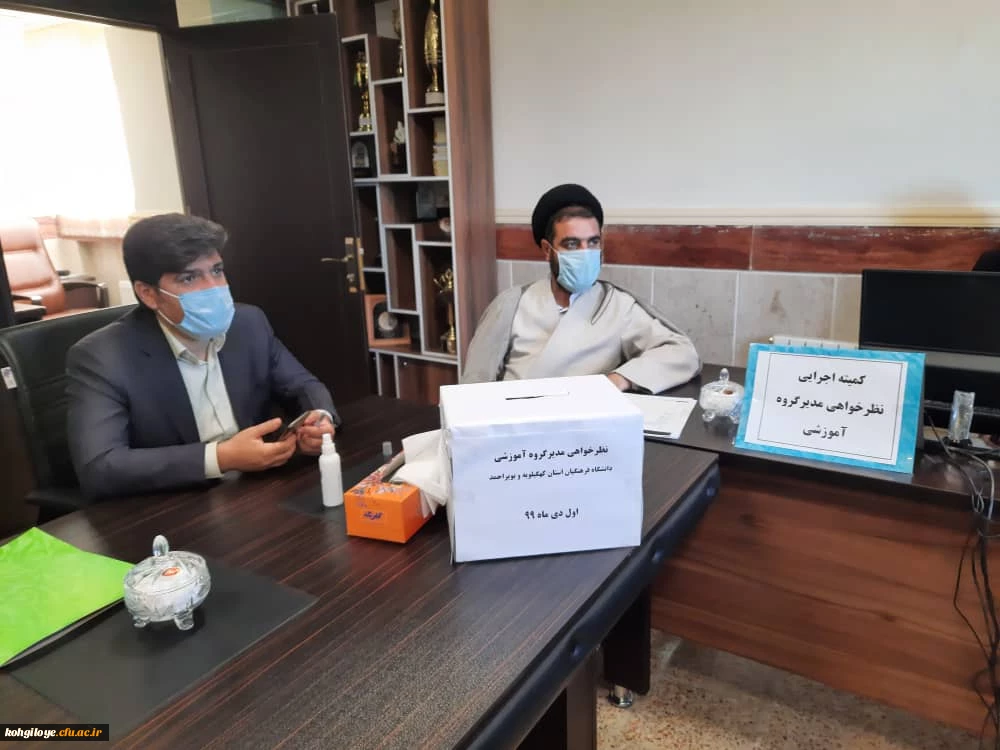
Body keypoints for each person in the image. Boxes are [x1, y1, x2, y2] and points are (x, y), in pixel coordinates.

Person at [66, 213, 339, 500]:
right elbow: (100, 467)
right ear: (148, 294)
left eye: (217, 271)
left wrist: (319, 421)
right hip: (171, 504)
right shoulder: (102, 356)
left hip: (255, 490)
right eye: (189, 277)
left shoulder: (248, 324)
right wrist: (220, 458)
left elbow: (303, 385)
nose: (213, 287)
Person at [462, 183, 700, 392]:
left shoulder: (618, 306)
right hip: (513, 419)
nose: (586, 253)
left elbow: (682, 353)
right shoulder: (511, 304)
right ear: (547, 250)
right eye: (572, 244)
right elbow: (473, 382)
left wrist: (620, 379)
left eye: (593, 242)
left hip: (580, 423)